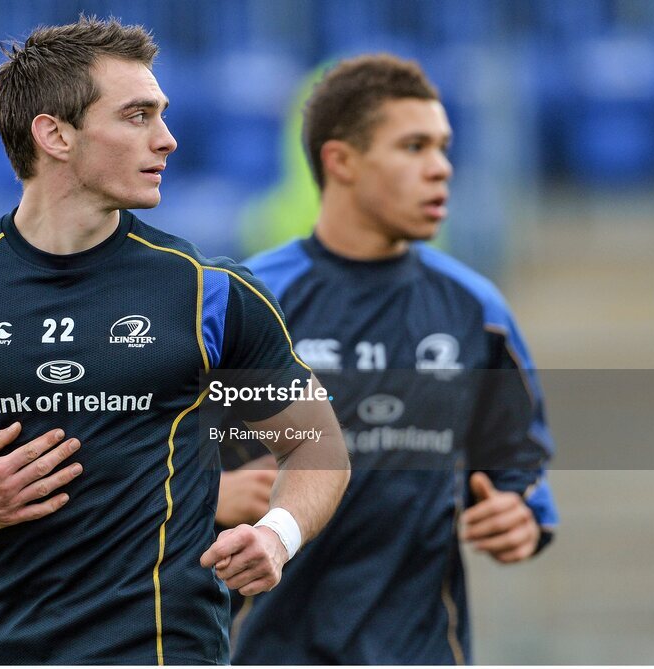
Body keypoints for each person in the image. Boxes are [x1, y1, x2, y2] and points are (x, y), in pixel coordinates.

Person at [0, 17, 349, 665]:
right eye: (137, 116)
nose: (167, 140)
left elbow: (318, 441)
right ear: (54, 133)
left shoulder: (210, 294)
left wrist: (277, 535)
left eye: (161, 114)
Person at [219, 54, 559, 664]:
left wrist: (522, 517)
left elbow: (518, 465)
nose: (441, 169)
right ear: (341, 162)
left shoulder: (475, 310)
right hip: (263, 646)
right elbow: (152, 454)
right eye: (413, 147)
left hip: (422, 647)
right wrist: (211, 492)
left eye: (444, 147)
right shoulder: (247, 301)